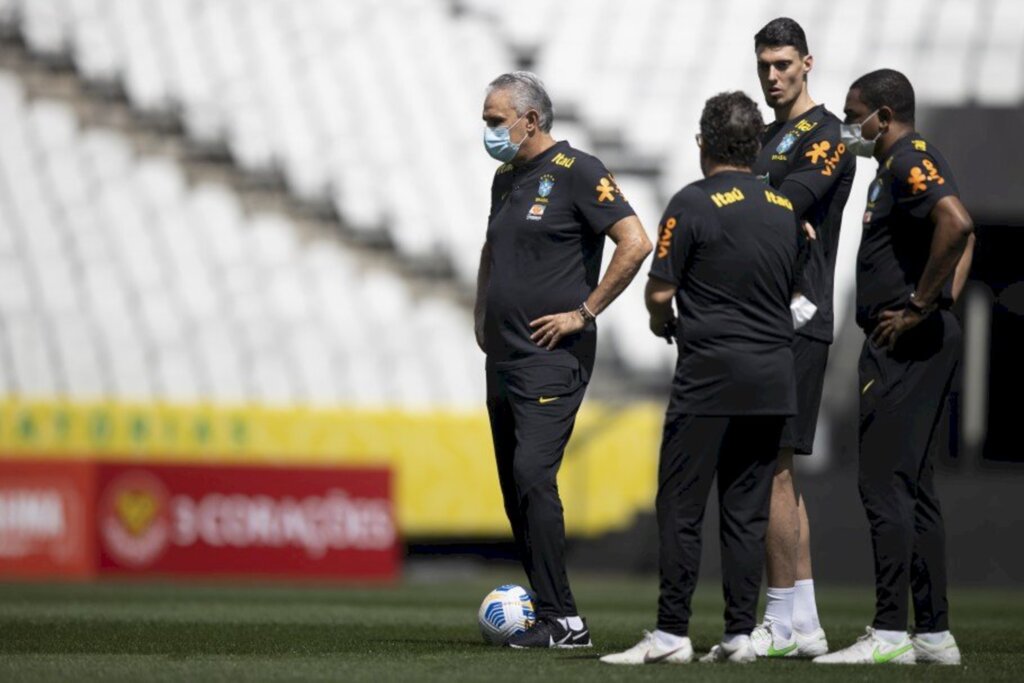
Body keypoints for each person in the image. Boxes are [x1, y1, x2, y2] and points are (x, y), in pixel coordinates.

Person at [601, 91, 800, 666]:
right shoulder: (785, 209)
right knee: (746, 512)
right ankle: (740, 635)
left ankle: (670, 635)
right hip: (771, 379)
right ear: (757, 145)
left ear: (702, 144)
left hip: (709, 375)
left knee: (682, 507)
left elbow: (659, 292)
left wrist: (664, 321)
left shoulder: (689, 204)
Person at [475, 71, 652, 649]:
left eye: (495, 122)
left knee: (532, 475)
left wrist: (585, 311)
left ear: (530, 120)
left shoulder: (580, 172)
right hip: (503, 357)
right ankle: (549, 614)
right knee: (514, 491)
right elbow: (491, 249)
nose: (488, 132)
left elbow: (634, 240)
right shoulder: (506, 177)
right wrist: (483, 317)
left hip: (552, 358)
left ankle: (565, 621)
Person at [814, 69, 974, 666]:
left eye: (856, 114)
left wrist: (918, 305)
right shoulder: (908, 163)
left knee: (881, 484)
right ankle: (932, 635)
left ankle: (887, 634)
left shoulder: (907, 158)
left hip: (901, 342)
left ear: (883, 116)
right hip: (916, 337)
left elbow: (957, 224)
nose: (850, 125)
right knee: (915, 488)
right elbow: (963, 232)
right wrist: (940, 300)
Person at [748, 17, 856, 658]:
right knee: (778, 472)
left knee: (770, 471)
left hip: (799, 315)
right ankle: (803, 623)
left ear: (807, 63)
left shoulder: (831, 134)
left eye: (783, 64)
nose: (772, 76)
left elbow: (784, 203)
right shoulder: (766, 136)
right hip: (765, 314)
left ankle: (779, 622)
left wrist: (754, 203)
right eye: (764, 65)